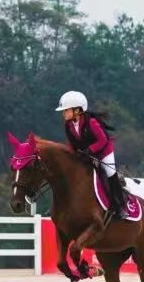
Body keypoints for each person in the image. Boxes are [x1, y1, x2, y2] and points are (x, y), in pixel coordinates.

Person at [55, 90, 128, 218]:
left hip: (104, 150)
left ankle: (119, 206)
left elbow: (103, 140)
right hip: (86, 153)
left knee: (110, 174)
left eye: (66, 110)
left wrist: (90, 150)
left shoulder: (91, 122)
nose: (64, 113)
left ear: (77, 110)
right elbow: (72, 144)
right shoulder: (68, 125)